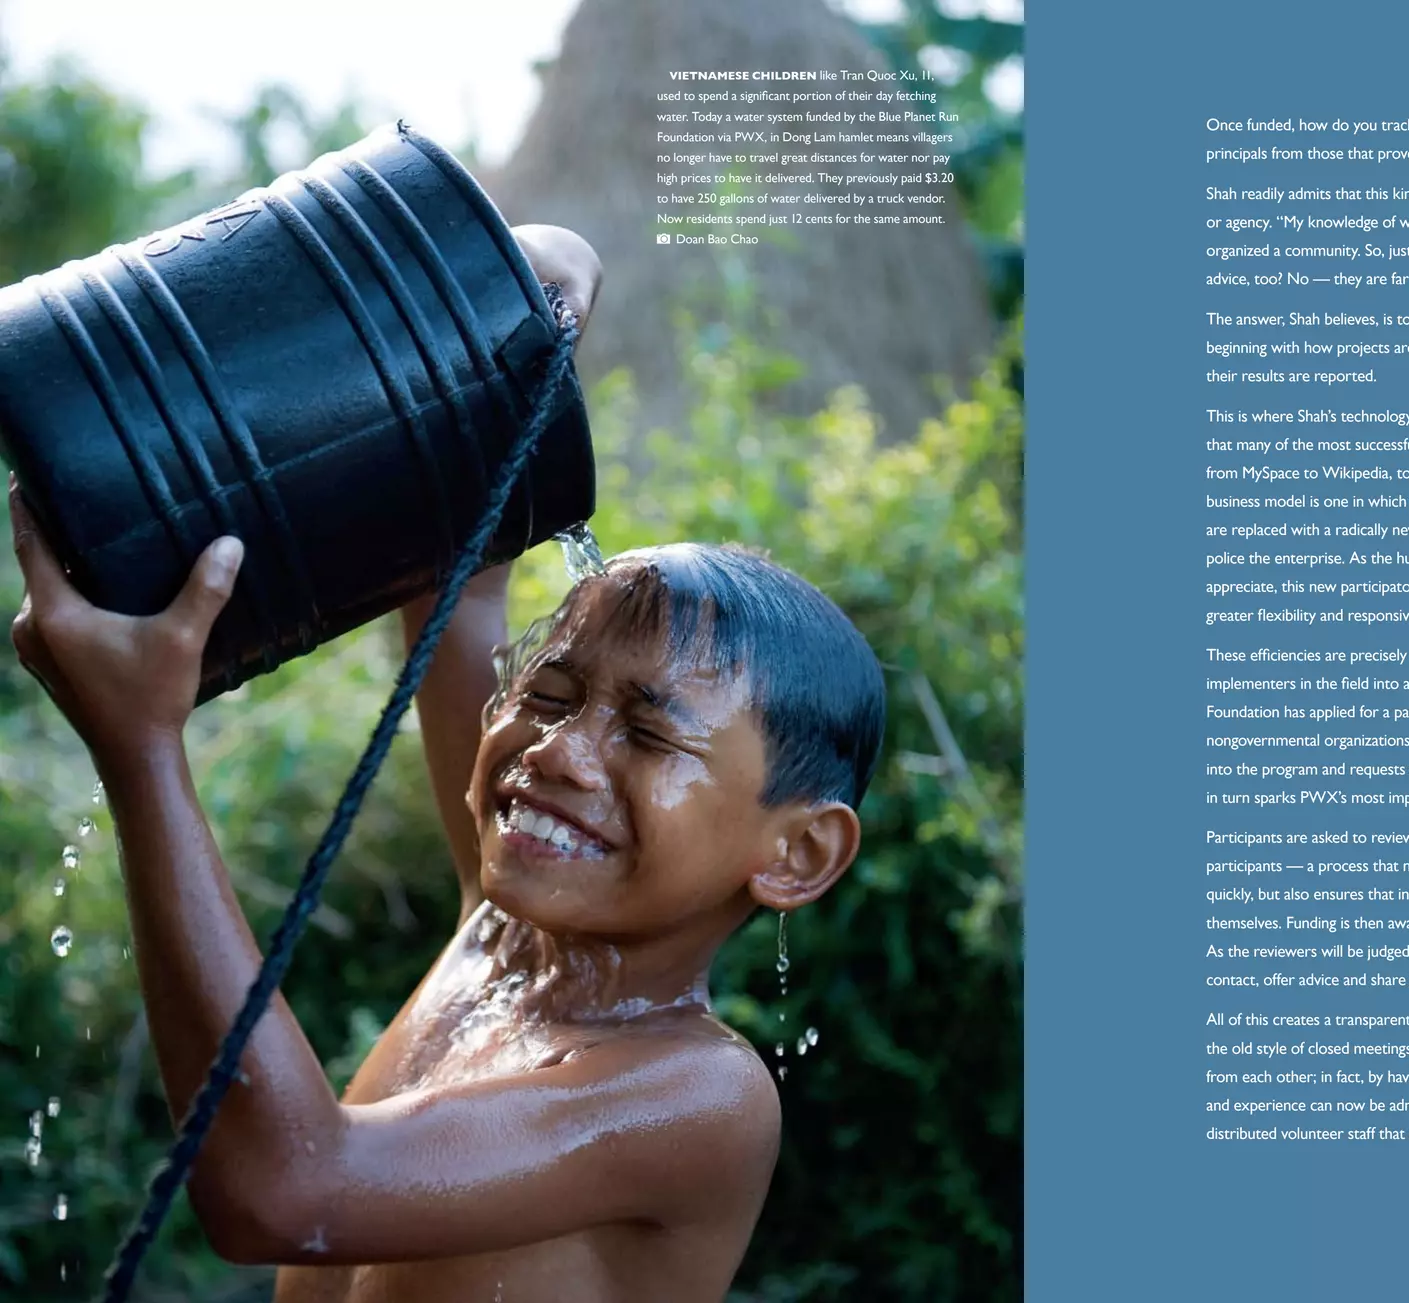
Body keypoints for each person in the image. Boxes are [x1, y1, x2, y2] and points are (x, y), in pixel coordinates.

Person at [7, 227, 886, 1302]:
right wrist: (497, 299)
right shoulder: (502, 928)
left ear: (798, 850)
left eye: (651, 735)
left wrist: (142, 747)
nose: (558, 749)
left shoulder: (701, 1097)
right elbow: (463, 581)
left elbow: (289, 1190)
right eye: (550, 692)